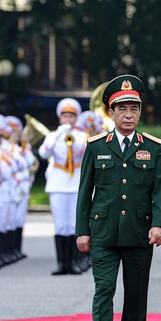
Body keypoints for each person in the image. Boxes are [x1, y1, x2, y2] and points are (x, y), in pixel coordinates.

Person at [75, 75, 161, 321]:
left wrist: (159, 224)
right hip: (103, 232)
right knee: (103, 289)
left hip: (140, 233)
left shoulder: (153, 148)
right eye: (122, 109)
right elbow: (85, 191)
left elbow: (160, 190)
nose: (129, 115)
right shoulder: (95, 146)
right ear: (111, 113)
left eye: (134, 109)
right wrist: (82, 230)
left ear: (140, 112)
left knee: (136, 293)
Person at [40, 98, 88, 275]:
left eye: (71, 116)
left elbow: (83, 152)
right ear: (60, 118)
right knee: (61, 225)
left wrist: (72, 138)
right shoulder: (53, 135)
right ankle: (62, 263)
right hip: (58, 183)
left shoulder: (83, 136)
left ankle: (74, 262)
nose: (68, 119)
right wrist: (59, 135)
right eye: (65, 116)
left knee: (75, 225)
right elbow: (43, 152)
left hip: (75, 182)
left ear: (76, 118)